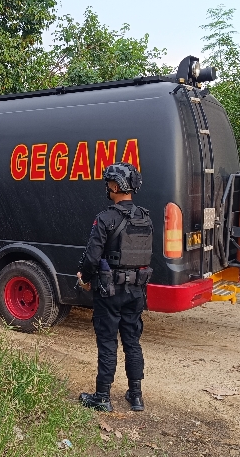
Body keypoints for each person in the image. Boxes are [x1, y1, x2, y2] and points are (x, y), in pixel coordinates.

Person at [76, 162, 152, 413]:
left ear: (117, 186)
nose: (107, 187)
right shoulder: (145, 218)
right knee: (132, 341)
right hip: (137, 292)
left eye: (109, 182)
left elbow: (91, 258)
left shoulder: (105, 218)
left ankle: (102, 397)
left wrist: (84, 277)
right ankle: (136, 395)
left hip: (110, 292)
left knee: (108, 342)